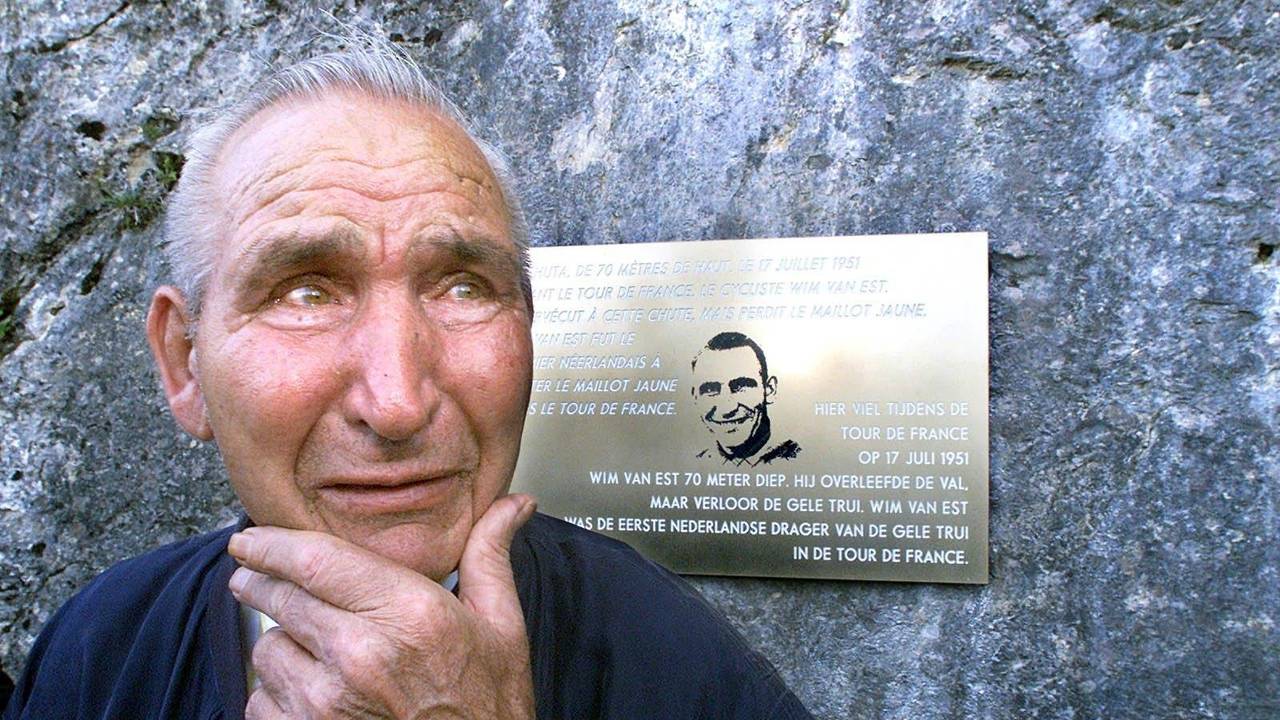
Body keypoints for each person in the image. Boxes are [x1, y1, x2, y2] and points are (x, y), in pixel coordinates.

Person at [3, 38, 812, 720]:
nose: (396, 403)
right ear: (184, 364)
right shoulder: (100, 644)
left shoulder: (671, 659)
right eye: (305, 291)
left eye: (464, 287)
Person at [691, 331, 802, 466]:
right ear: (695, 397)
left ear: (769, 390)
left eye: (740, 386)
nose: (727, 409)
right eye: (710, 390)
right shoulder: (695, 463)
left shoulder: (800, 459)